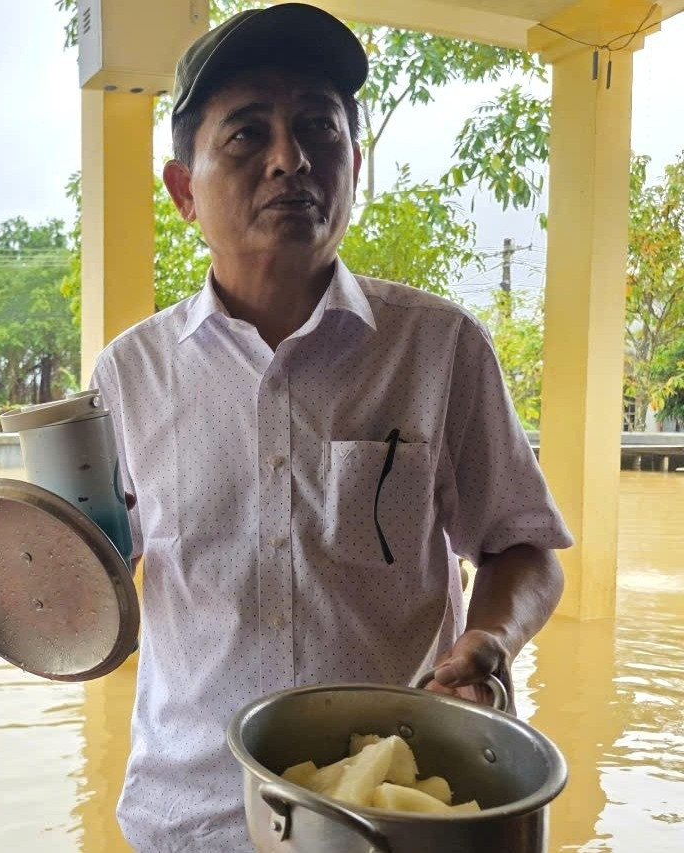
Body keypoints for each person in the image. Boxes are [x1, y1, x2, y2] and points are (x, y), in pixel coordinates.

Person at [88, 4, 573, 850]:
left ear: (354, 161)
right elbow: (83, 586)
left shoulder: (439, 349)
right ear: (182, 191)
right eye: (246, 136)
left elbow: (521, 546)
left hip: (397, 813)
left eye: (318, 125)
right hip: (193, 820)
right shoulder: (130, 375)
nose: (290, 158)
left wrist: (488, 640)